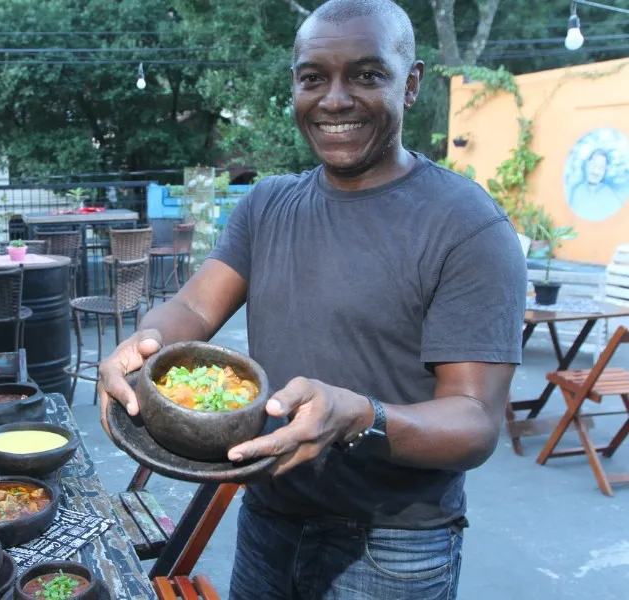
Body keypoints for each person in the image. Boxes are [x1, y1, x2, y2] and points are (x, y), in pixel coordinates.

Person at [97, 0, 527, 598]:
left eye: (367, 75)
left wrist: (359, 415)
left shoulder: (468, 226)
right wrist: (141, 349)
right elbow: (194, 310)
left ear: (412, 83)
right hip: (268, 514)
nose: (335, 99)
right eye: (313, 78)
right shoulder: (268, 205)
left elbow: (475, 422)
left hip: (394, 544)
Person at [568, 148, 625, 221]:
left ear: (605, 171)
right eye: (593, 165)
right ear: (587, 165)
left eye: (601, 168)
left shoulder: (610, 196)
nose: (596, 171)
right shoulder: (576, 192)